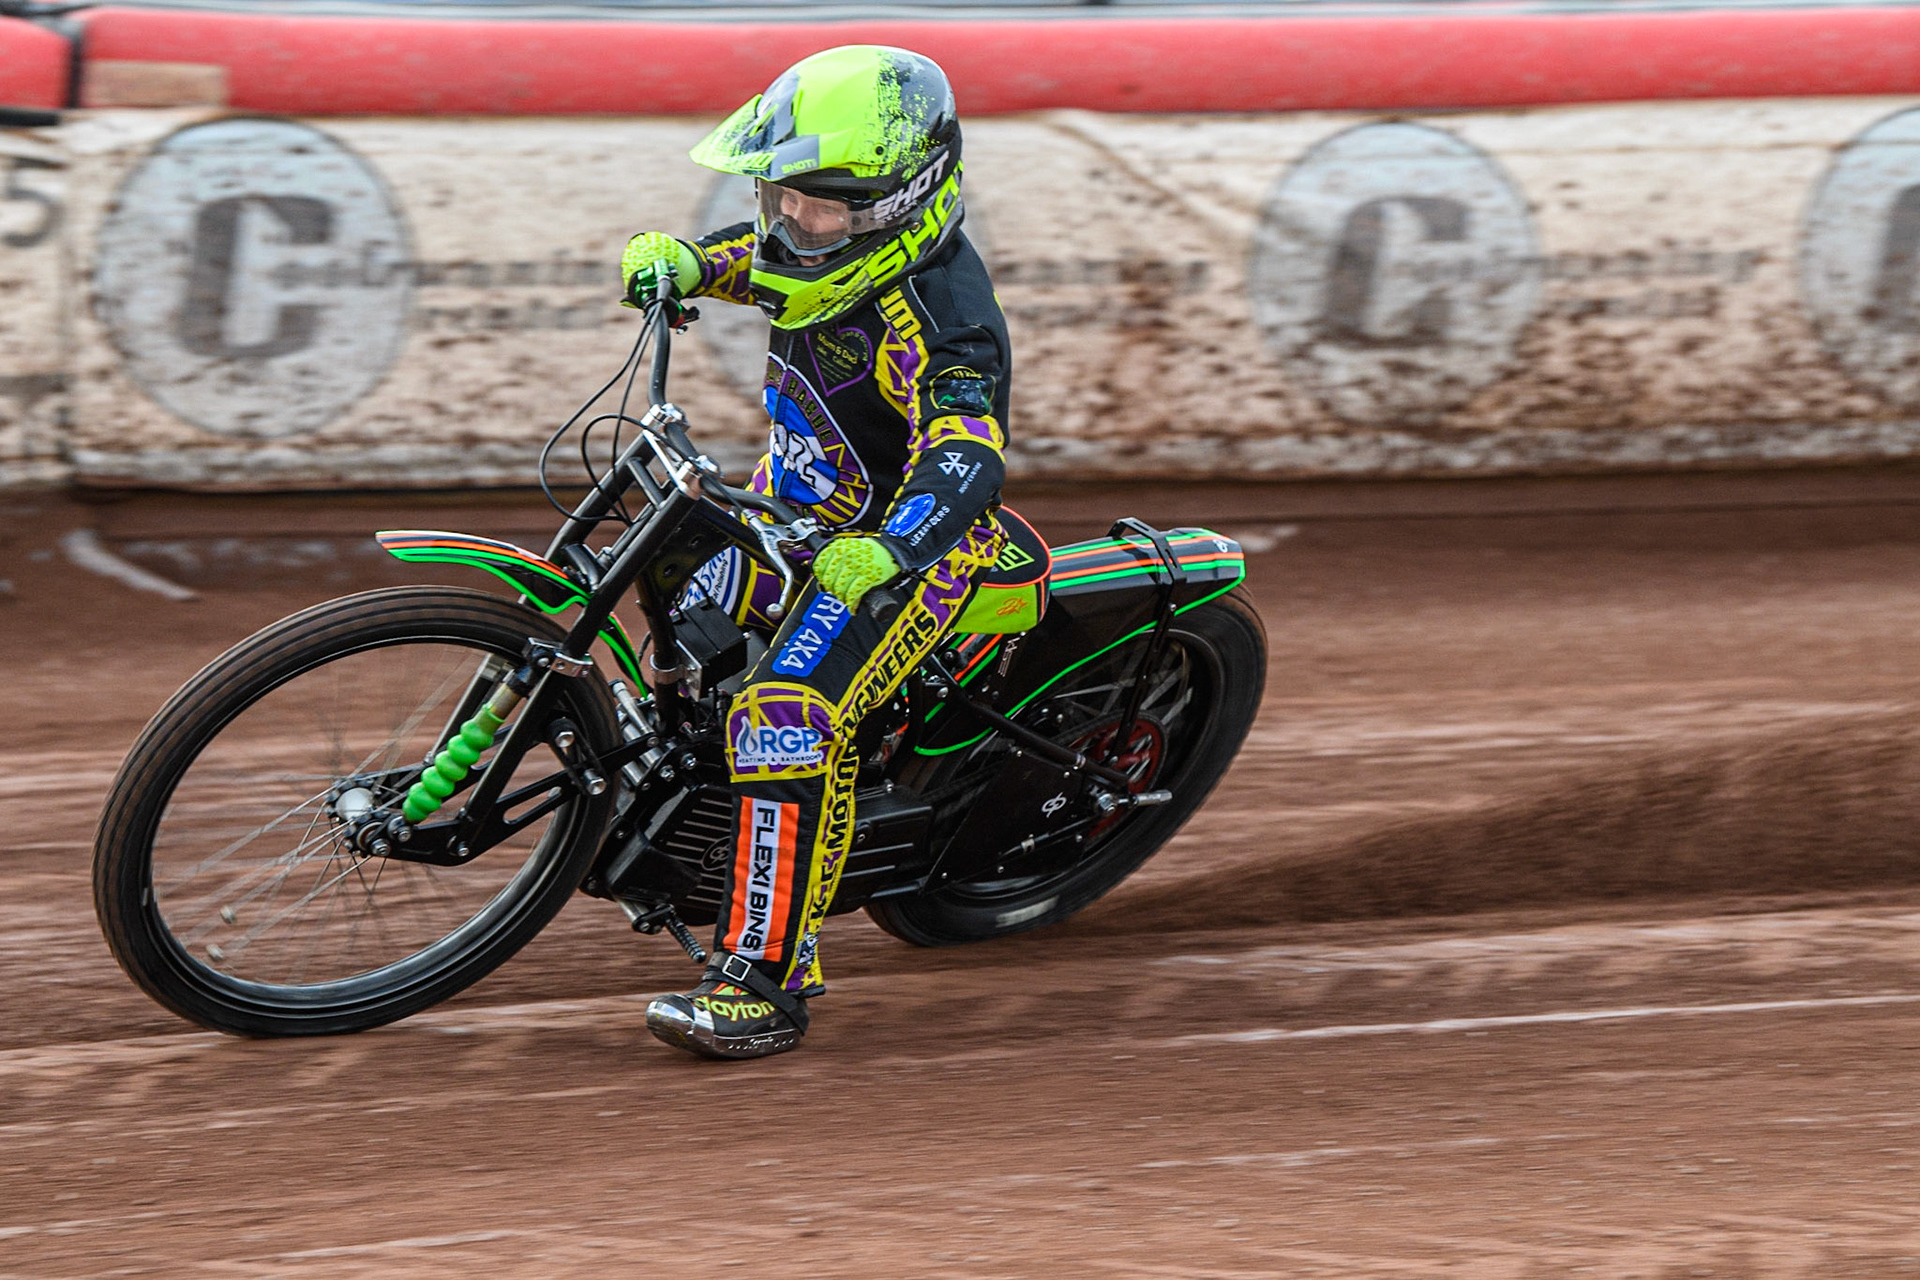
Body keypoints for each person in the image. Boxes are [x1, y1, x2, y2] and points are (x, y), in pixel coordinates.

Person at [623, 45, 1011, 1060]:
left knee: (784, 713)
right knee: (661, 552)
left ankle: (766, 980)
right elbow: (760, 261)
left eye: (817, 205)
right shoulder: (812, 248)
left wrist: (892, 547)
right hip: (803, 514)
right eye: (777, 195)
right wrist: (693, 264)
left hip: (910, 555)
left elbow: (967, 459)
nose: (790, 220)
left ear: (896, 204)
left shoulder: (946, 322)